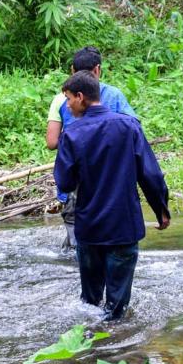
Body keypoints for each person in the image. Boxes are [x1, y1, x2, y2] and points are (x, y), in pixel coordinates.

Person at [53, 71, 170, 321]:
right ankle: (117, 351)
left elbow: (64, 182)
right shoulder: (129, 126)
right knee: (117, 309)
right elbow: (150, 174)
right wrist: (161, 208)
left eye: (69, 98)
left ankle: (90, 350)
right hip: (123, 227)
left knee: (89, 304)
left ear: (81, 96)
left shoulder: (72, 135)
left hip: (89, 228)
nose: (67, 104)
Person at [46, 46, 137, 250]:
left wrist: (75, 139)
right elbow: (134, 132)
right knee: (111, 242)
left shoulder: (62, 99)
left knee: (77, 242)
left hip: (76, 183)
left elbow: (52, 142)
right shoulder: (114, 95)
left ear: (72, 70)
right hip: (112, 183)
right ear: (97, 69)